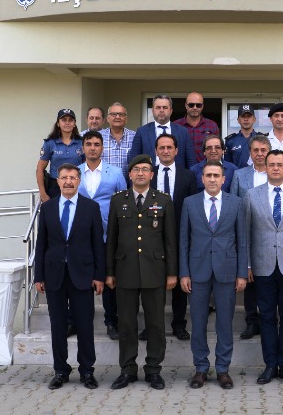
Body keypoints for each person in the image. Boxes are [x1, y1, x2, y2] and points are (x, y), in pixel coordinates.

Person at [106, 155, 178, 391]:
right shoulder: (118, 200)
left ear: (151, 174)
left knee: (155, 323)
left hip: (154, 270)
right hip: (125, 269)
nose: (140, 173)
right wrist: (110, 272)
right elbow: (112, 239)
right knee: (127, 324)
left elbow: (170, 240)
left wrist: (172, 273)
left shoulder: (163, 200)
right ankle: (127, 369)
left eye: (145, 169)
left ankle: (153, 370)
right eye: (136, 169)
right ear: (129, 174)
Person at [33, 163, 105, 391]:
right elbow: (41, 244)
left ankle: (87, 371)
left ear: (79, 181)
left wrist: (99, 275)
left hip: (82, 274)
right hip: (54, 274)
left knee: (84, 325)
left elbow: (97, 244)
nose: (68, 182)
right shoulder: (48, 208)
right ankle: (60, 371)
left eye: (73, 178)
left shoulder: (91, 208)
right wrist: (38, 276)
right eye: (64, 178)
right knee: (58, 326)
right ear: (57, 181)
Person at [179, 161, 248, 390]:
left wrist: (242, 273)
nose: (212, 179)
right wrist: (184, 273)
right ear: (202, 178)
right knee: (198, 322)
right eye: (208, 175)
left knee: (224, 323)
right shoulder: (190, 203)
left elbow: (242, 240)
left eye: (216, 175)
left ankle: (222, 369)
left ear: (223, 179)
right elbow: (183, 240)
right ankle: (200, 368)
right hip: (197, 271)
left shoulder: (236, 203)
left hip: (226, 270)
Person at [243, 149, 283, 386]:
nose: (275, 168)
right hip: (262, 265)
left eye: (280, 164)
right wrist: (247, 264)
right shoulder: (252, 195)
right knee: (267, 317)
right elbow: (246, 233)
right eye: (271, 164)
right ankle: (270, 365)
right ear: (266, 167)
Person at [77, 130, 127, 341]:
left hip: (108, 234)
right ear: (83, 148)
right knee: (80, 279)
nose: (92, 148)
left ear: (102, 148)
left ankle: (111, 321)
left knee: (108, 279)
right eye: (89, 144)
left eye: (96, 144)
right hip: (81, 235)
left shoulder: (115, 172)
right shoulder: (75, 173)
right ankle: (77, 321)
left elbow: (124, 202)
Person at [149, 133, 198, 341]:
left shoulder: (188, 175)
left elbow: (193, 206)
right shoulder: (148, 174)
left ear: (176, 151)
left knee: (179, 281)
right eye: (162, 147)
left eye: (169, 147)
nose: (166, 151)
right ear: (156, 151)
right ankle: (152, 325)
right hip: (152, 235)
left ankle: (179, 324)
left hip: (180, 235)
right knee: (153, 283)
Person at [229, 134, 270, 340]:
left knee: (269, 279)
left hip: (272, 235)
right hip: (247, 233)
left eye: (263, 150)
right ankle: (252, 321)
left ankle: (268, 320)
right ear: (250, 152)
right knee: (250, 278)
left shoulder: (277, 172)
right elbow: (234, 204)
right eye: (256, 150)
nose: (260, 154)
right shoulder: (240, 175)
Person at [128, 94, 196, 169]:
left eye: (165, 107)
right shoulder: (142, 132)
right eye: (158, 107)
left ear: (171, 111)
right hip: (150, 175)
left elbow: (191, 161)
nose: (161, 110)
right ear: (152, 111)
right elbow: (133, 159)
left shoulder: (183, 132)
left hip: (177, 175)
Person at [36, 109, 84, 202]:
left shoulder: (81, 143)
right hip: (55, 187)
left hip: (77, 186)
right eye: (64, 120)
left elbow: (87, 166)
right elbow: (40, 169)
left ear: (74, 124)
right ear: (58, 123)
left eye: (70, 120)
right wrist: (43, 193)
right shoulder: (50, 143)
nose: (67, 123)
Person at [173, 92, 219, 163]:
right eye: (191, 105)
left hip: (205, 168)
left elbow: (217, 149)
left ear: (202, 106)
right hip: (182, 168)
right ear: (186, 106)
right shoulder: (175, 125)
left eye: (198, 105)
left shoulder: (212, 125)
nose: (195, 108)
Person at [101, 102, 136, 181]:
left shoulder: (135, 137)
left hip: (128, 184)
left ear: (126, 119)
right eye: (113, 114)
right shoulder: (99, 137)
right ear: (107, 118)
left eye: (121, 114)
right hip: (105, 184)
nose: (117, 117)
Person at [224, 103, 263, 169]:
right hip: (236, 175)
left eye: (249, 116)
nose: (246, 119)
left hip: (257, 174)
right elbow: (227, 165)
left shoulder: (261, 139)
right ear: (238, 120)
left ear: (254, 119)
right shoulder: (231, 140)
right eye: (243, 116)